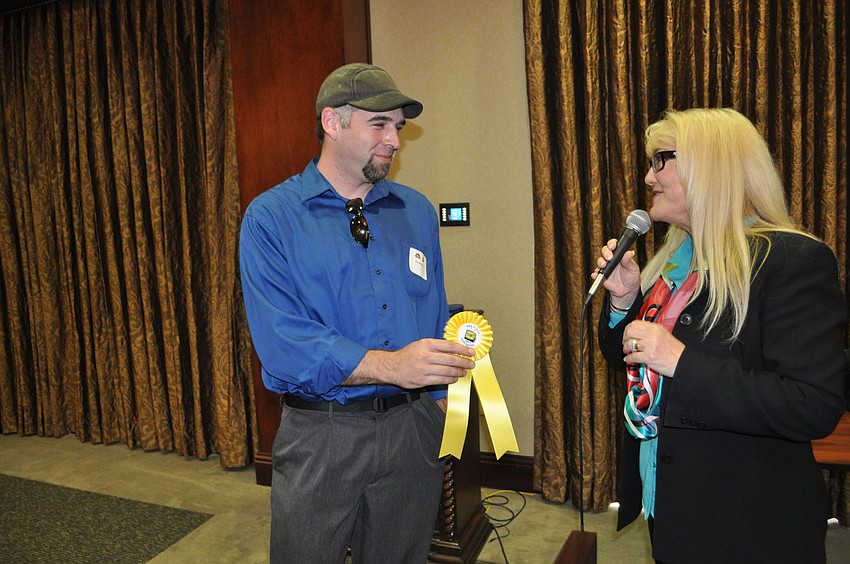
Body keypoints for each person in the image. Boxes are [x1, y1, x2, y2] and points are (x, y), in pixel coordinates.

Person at [239, 63, 475, 563]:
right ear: (332, 122)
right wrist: (393, 366)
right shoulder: (271, 217)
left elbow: (433, 314)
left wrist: (435, 402)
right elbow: (284, 343)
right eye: (379, 124)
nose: (394, 139)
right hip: (322, 436)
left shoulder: (414, 211)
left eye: (398, 127)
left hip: (412, 432)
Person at [593, 108, 848, 563]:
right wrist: (623, 300)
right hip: (674, 502)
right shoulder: (678, 260)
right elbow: (628, 359)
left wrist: (681, 362)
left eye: (660, 161)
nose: (649, 178)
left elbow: (812, 405)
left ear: (710, 166)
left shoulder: (791, 261)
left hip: (747, 524)